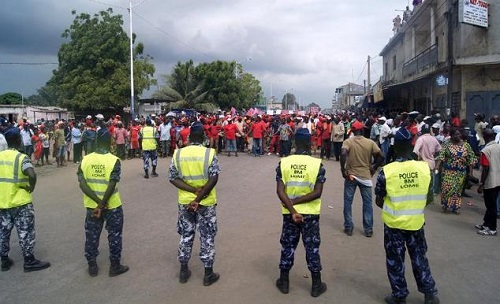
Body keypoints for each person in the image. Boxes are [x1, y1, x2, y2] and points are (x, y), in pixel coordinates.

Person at [375, 127, 439, 304]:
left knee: (395, 261)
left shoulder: (387, 171)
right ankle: (429, 294)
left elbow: (379, 201)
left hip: (394, 225)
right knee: (419, 258)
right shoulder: (424, 169)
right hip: (416, 224)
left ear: (394, 148)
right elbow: (428, 199)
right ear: (412, 146)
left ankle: (399, 295)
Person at [275, 128, 327, 297]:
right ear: (310, 142)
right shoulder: (317, 165)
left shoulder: (283, 163)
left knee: (287, 245)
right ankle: (316, 285)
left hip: (290, 214)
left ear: (295, 142)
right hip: (310, 214)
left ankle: (284, 282)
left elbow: (280, 192)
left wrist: (292, 206)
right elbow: (317, 192)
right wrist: (297, 204)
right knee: (312, 247)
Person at [169, 122, 221, 286]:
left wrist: (192, 192)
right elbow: (214, 178)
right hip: (205, 202)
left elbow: (173, 178)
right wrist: (198, 197)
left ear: (189, 137)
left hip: (185, 203)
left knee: (186, 235)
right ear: (204, 138)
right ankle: (208, 274)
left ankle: (183, 271)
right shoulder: (210, 153)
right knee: (206, 237)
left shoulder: (178, 154)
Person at [77, 128, 129, 277]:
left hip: (91, 207)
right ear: (110, 141)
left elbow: (82, 184)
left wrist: (97, 203)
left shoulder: (85, 160)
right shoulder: (114, 160)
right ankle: (115, 266)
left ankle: (92, 266)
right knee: (114, 235)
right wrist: (102, 204)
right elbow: (112, 184)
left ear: (97, 141)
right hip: (112, 205)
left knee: (92, 236)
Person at [0, 127, 51, 272]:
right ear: (18, 140)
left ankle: (4, 260)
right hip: (20, 202)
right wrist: (31, 187)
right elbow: (32, 175)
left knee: (3, 232)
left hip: (3, 201)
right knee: (25, 231)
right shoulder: (21, 157)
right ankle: (29, 261)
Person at [340, 120, 383, 237]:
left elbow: (343, 153)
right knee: (367, 203)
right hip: (365, 176)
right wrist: (374, 167)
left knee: (348, 202)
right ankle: (368, 229)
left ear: (353, 130)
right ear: (362, 130)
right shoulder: (370, 143)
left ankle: (349, 227)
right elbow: (381, 156)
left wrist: (343, 170)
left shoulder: (348, 141)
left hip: (351, 175)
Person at [435, 128, 477, 214]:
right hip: (448, 171)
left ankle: (455, 207)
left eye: (459, 134)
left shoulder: (466, 145)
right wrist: (437, 166)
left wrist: (471, 173)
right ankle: (445, 204)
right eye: (455, 134)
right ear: (451, 135)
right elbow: (441, 156)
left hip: (460, 172)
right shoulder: (447, 144)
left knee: (457, 190)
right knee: (446, 188)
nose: (458, 136)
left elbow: (471, 159)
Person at [475, 128, 500, 236]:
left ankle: (492, 228)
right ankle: (486, 223)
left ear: (485, 137)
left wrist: (481, 184)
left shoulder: (486, 150)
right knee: (491, 204)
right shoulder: (498, 147)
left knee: (491, 206)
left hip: (490, 181)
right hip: (498, 179)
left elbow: (485, 168)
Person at [413, 123, 441, 203]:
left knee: (421, 182)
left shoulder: (421, 139)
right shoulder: (433, 139)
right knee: (430, 182)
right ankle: (430, 199)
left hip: (422, 164)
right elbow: (440, 150)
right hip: (431, 164)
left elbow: (415, 151)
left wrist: (416, 161)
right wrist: (434, 157)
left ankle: (420, 198)